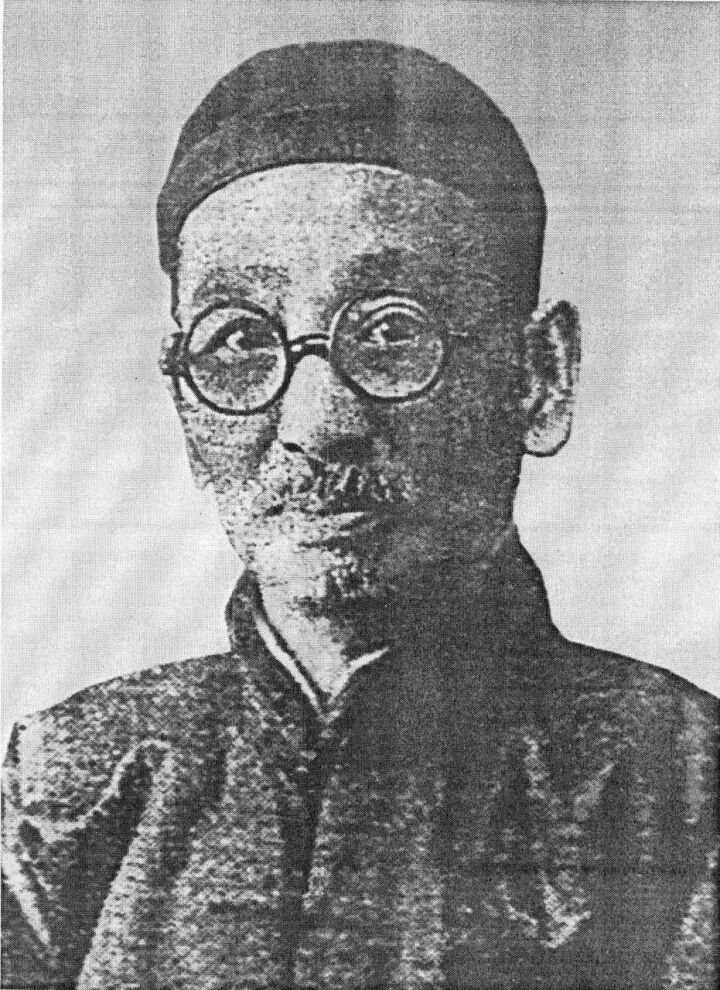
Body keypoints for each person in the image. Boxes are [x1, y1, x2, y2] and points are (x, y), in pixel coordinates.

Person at [2, 40, 717, 990]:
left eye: (390, 331)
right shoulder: (70, 785)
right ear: (183, 404)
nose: (316, 424)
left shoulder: (682, 786)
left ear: (539, 378)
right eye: (239, 342)